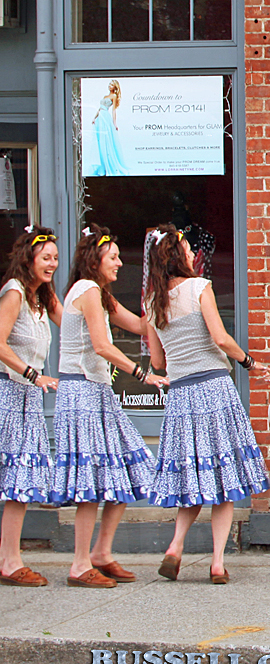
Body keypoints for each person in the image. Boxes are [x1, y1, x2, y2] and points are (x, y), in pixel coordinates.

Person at [142, 225, 270, 584]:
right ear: (178, 255)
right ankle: (216, 562)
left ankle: (175, 546)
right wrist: (248, 362)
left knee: (191, 478)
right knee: (223, 479)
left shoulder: (152, 303)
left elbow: (157, 362)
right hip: (214, 388)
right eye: (186, 246)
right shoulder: (200, 287)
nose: (191, 251)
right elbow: (220, 337)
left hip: (181, 396)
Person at [51, 225, 168, 588]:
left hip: (97, 392)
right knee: (92, 482)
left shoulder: (99, 293)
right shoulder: (86, 291)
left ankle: (101, 554)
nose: (119, 263)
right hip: (81, 394)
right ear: (95, 260)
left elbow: (138, 326)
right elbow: (102, 346)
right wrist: (141, 373)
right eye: (113, 257)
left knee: (130, 467)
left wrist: (157, 289)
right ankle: (79, 565)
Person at [0, 227, 62, 586]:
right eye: (46, 258)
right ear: (29, 259)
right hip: (9, 392)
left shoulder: (42, 298)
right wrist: (32, 374)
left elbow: (74, 322)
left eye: (55, 257)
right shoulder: (15, 294)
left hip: (27, 397)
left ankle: (9, 558)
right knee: (14, 478)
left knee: (20, 481)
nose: (52, 263)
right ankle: (9, 561)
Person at [88, 81, 126, 177]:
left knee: (106, 140)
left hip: (106, 118)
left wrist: (114, 123)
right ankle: (102, 166)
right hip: (100, 117)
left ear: (115, 87)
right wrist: (94, 117)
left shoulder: (114, 96)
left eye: (112, 85)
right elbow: (100, 108)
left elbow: (113, 111)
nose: (110, 86)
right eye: (109, 84)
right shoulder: (105, 96)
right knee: (100, 140)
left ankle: (108, 164)